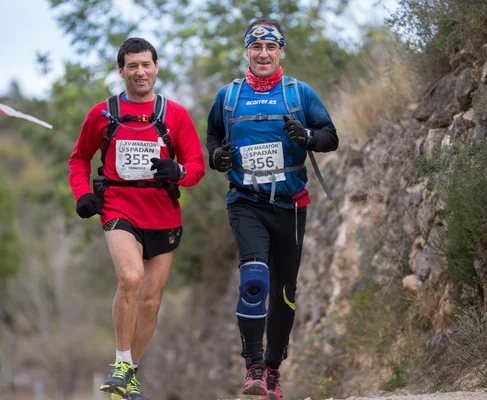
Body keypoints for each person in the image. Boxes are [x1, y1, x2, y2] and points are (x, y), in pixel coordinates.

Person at [205, 19, 338, 400]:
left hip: (291, 207)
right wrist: (217, 156)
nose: (263, 54)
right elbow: (213, 136)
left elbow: (331, 137)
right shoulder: (228, 97)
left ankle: (274, 368)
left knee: (283, 293)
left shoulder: (299, 93)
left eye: (270, 47)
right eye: (256, 46)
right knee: (254, 280)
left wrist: (308, 136)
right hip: (246, 202)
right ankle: (254, 367)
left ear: (281, 51)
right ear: (246, 51)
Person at [68, 37, 205, 400]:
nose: (140, 72)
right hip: (118, 207)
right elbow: (79, 158)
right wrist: (82, 195)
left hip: (162, 212)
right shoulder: (102, 114)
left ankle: (127, 377)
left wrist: (177, 171)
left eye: (146, 64)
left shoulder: (175, 114)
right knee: (131, 277)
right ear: (121, 71)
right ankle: (120, 363)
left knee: (151, 301)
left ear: (156, 67)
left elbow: (196, 167)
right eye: (133, 66)